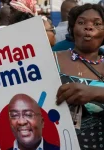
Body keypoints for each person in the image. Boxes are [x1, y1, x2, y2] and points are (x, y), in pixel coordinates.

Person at [55, 3, 104, 150]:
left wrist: (95, 93)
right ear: (72, 29)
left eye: (97, 23)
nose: (88, 27)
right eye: (81, 22)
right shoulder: (53, 59)